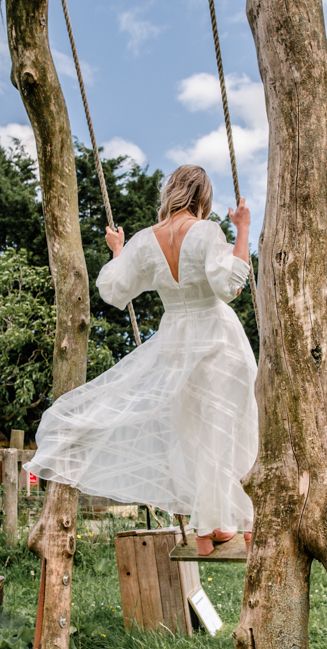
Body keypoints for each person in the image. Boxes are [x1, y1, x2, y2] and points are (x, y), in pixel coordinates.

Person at [23, 165, 258, 555]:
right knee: (233, 427)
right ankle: (246, 525)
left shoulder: (147, 240)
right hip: (217, 339)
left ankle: (207, 531)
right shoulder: (206, 231)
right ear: (203, 197)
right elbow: (229, 285)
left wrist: (119, 250)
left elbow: (114, 289)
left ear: (172, 192)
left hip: (175, 342)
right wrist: (243, 228)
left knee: (196, 435)